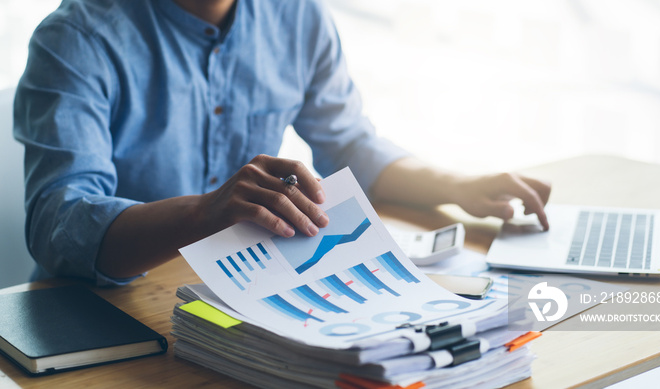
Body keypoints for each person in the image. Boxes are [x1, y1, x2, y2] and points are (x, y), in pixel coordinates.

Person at [14, 0, 551, 286]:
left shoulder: (298, 13)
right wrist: (204, 215)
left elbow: (348, 143)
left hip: (243, 291)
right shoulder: (76, 37)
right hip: (104, 311)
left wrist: (459, 184)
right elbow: (60, 225)